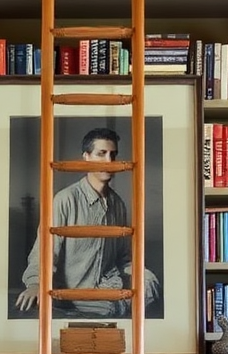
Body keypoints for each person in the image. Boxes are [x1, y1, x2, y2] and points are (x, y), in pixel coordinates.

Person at [15, 126, 160, 317]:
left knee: (150, 282)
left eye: (113, 155)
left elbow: (124, 257)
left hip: (110, 284)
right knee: (108, 308)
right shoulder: (65, 199)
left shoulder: (118, 204)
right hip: (76, 292)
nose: (109, 161)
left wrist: (142, 276)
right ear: (86, 156)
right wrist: (35, 284)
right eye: (101, 154)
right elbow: (43, 253)